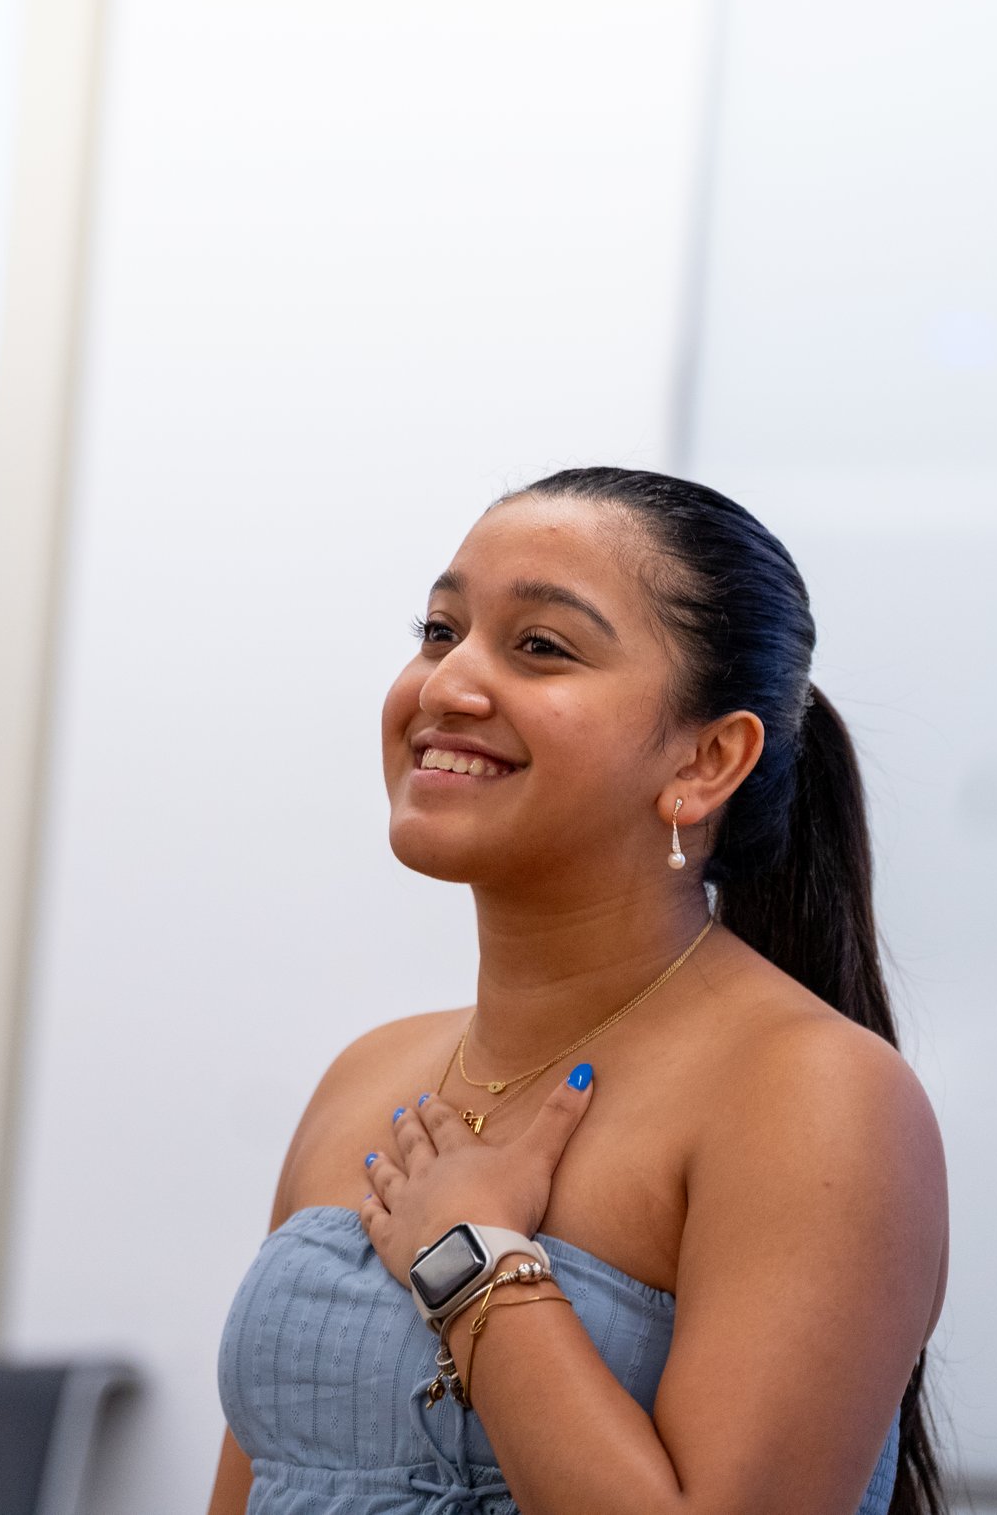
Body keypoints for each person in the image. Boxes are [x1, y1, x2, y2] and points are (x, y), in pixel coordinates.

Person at [209, 468, 950, 1514]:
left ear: (707, 758)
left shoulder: (814, 1094)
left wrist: (471, 1260)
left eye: (541, 646)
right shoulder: (367, 1073)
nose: (446, 684)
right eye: (438, 631)